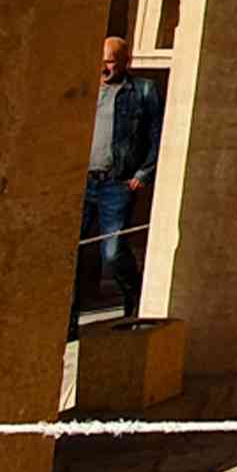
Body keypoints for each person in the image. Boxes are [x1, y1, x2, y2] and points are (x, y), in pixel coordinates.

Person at [77, 35, 165, 324]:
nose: (104, 68)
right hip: (84, 181)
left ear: (127, 62)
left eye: (110, 62)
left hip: (117, 183)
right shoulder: (86, 87)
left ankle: (133, 296)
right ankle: (69, 322)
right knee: (73, 254)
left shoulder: (142, 91)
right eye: (101, 61)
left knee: (112, 252)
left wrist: (143, 173)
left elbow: (157, 135)